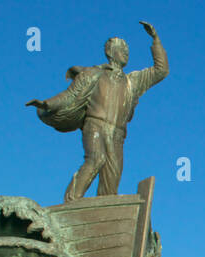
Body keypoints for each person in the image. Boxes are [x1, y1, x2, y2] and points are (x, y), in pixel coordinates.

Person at [27, 21, 169, 202]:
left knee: (112, 175)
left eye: (127, 49)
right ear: (110, 52)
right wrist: (47, 104)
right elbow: (70, 95)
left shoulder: (133, 81)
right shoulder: (94, 73)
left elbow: (161, 70)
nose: (126, 52)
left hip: (117, 133)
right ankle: (72, 200)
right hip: (95, 126)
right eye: (121, 48)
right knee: (96, 159)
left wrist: (155, 40)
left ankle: (104, 212)